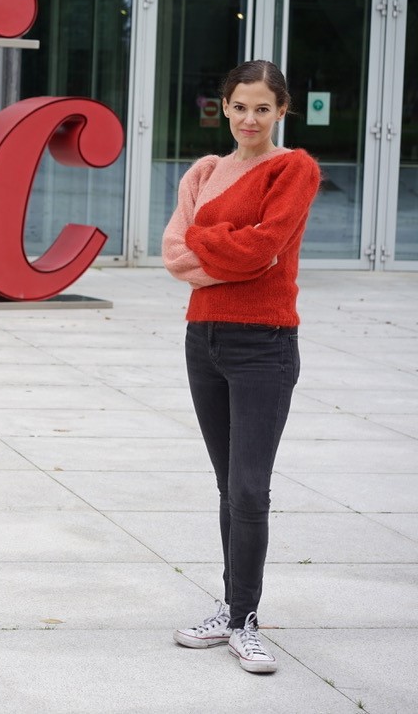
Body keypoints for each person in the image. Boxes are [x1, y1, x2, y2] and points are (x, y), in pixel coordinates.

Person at [162, 60, 320, 674]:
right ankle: (231, 609)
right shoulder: (204, 172)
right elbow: (174, 255)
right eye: (239, 106)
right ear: (223, 108)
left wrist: (209, 239)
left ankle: (246, 619)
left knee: (251, 487)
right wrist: (224, 242)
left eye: (262, 107)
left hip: (265, 343)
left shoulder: (294, 168)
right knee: (228, 485)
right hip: (202, 338)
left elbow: (264, 250)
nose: (249, 119)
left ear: (282, 109)